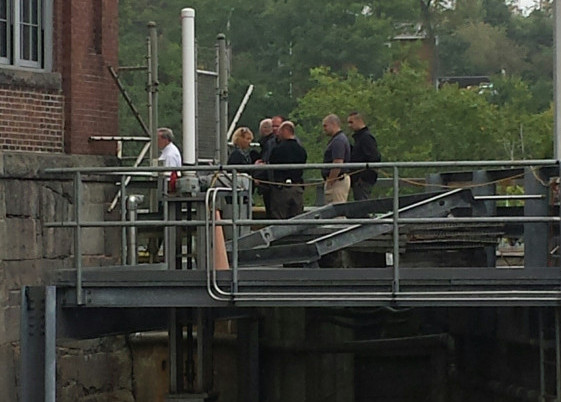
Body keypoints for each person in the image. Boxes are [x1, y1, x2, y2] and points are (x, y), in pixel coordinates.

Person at [268, 121, 307, 219]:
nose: (278, 134)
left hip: (281, 189)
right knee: (297, 219)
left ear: (286, 131)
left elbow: (272, 164)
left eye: (280, 131)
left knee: (279, 218)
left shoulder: (278, 150)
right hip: (297, 187)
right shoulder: (301, 150)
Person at [347, 112, 381, 200]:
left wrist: (362, 176)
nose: (349, 126)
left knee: (362, 205)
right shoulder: (359, 138)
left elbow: (375, 157)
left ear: (360, 121)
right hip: (358, 179)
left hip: (363, 180)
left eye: (351, 122)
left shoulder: (366, 138)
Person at [321, 114, 351, 204]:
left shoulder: (339, 141)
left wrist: (330, 181)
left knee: (336, 211)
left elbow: (338, 162)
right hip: (336, 180)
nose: (324, 129)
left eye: (325, 126)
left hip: (338, 181)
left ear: (333, 124)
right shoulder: (337, 139)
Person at [255, 118, 277, 218]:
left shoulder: (269, 143)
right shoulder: (271, 142)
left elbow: (267, 162)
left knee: (271, 209)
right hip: (272, 182)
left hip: (269, 183)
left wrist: (258, 176)